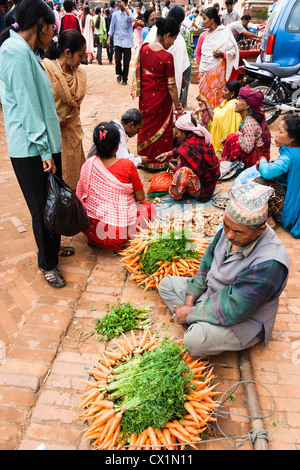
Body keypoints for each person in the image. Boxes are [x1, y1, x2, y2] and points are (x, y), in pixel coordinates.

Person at [158, 181, 290, 357]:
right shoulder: (229, 230)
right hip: (212, 294)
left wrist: (190, 314)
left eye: (237, 232)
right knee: (166, 284)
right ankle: (203, 323)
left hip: (244, 318)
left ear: (259, 230)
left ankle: (201, 327)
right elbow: (206, 263)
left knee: (193, 343)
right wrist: (190, 300)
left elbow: (235, 306)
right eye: (226, 226)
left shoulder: (270, 263)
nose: (228, 235)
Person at [0, 0, 72, 288]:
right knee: (42, 206)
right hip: (31, 148)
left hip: (43, 143)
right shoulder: (14, 52)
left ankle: (53, 249)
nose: (53, 33)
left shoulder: (26, 51)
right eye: (52, 26)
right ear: (40, 25)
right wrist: (43, 149)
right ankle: (47, 263)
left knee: (52, 199)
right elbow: (28, 106)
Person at [76, 121, 157, 251]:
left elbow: (81, 196)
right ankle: (120, 244)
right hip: (116, 236)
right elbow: (141, 198)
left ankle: (94, 242)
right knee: (148, 208)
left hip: (90, 229)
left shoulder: (88, 164)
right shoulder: (127, 165)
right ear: (117, 147)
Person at [132, 16, 183, 171]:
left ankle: (144, 159)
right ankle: (160, 162)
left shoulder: (144, 49)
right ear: (167, 35)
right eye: (173, 39)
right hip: (161, 101)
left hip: (146, 100)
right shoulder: (166, 57)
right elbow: (172, 86)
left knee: (146, 126)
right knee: (162, 130)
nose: (173, 43)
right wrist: (178, 106)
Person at [43, 30, 87, 191]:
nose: (82, 60)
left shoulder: (79, 74)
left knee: (74, 181)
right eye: (80, 55)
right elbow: (39, 103)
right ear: (68, 53)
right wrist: (53, 117)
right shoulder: (46, 69)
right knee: (55, 180)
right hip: (52, 137)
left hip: (73, 134)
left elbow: (77, 108)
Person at [156, 113, 220, 201]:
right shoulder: (195, 135)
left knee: (182, 172)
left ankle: (177, 194)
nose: (176, 135)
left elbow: (185, 170)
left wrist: (172, 167)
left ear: (185, 133)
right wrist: (168, 154)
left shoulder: (190, 144)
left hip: (204, 187)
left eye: (177, 133)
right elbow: (179, 149)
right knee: (181, 159)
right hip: (208, 179)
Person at [254, 115, 300, 237]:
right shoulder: (295, 151)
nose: (276, 134)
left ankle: (270, 218)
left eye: (280, 131)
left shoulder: (288, 157)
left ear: (292, 138)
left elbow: (268, 173)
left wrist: (263, 160)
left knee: (260, 181)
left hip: (291, 206)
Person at [195, 7, 239, 128]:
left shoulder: (225, 33)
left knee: (218, 98)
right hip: (205, 74)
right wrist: (202, 67)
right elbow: (198, 53)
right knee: (204, 100)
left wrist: (223, 55)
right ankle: (205, 127)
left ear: (212, 19)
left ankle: (217, 125)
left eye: (204, 19)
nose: (202, 21)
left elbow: (233, 51)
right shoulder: (203, 36)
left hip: (219, 73)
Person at [144, 5, 190, 102]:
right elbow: (179, 67)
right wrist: (178, 105)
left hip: (149, 88)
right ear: (180, 24)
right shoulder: (179, 40)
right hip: (167, 91)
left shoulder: (154, 30)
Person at [221, 86, 271, 169]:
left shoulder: (249, 123)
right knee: (232, 137)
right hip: (255, 153)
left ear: (247, 106)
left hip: (257, 158)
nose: (236, 102)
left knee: (233, 138)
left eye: (239, 100)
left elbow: (247, 148)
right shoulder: (246, 119)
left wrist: (235, 136)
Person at [197, 80, 242, 152]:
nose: (222, 92)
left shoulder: (232, 105)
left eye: (225, 90)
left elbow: (214, 117)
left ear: (232, 93)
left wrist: (206, 102)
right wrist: (205, 109)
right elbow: (218, 111)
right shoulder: (227, 102)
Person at [108, 0, 134, 86]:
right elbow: (112, 27)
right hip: (118, 41)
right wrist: (109, 38)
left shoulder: (129, 13)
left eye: (122, 2)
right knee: (117, 59)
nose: (120, 4)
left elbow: (131, 19)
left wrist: (125, 9)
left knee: (126, 62)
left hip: (127, 42)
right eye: (119, 2)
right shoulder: (115, 15)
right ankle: (119, 73)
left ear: (126, 4)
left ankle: (125, 79)